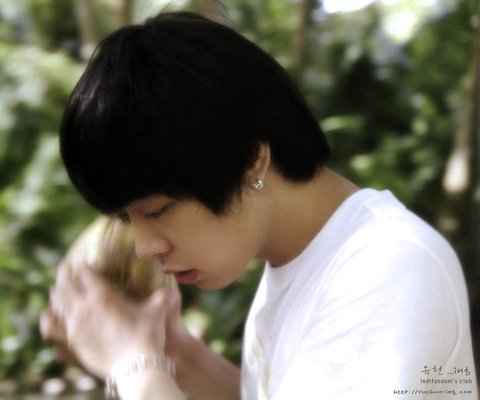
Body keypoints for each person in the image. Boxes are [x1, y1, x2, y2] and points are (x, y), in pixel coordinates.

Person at [40, 11, 478, 400]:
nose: (144, 247)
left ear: (251, 159)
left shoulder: (390, 268)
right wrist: (177, 353)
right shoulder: (304, 267)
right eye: (125, 218)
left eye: (156, 211)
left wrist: (135, 368)